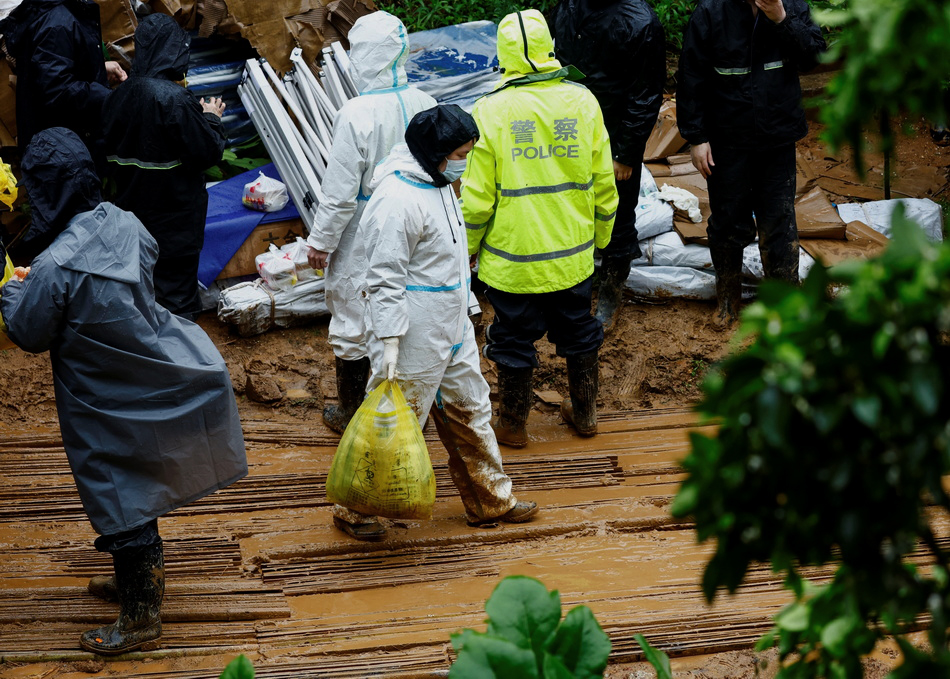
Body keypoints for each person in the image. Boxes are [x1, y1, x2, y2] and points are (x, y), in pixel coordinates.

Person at [0, 127, 248, 655]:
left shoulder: (54, 266)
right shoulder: (125, 222)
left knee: (117, 492)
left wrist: (13, 289)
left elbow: (28, 332)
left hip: (97, 392)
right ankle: (136, 581)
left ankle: (140, 616)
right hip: (151, 365)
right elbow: (140, 276)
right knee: (137, 481)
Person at [333, 105, 538, 541]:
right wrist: (389, 340)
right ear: (435, 151)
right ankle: (355, 510)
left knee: (471, 408)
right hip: (412, 330)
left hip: (451, 322)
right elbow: (384, 277)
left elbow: (450, 251)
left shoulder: (438, 179)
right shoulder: (396, 199)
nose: (465, 161)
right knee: (395, 418)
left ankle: (490, 500)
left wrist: (467, 308)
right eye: (460, 153)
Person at [462, 10, 618, 446]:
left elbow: (476, 199)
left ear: (504, 54)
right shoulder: (582, 100)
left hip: (513, 263)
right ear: (550, 46)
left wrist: (467, 248)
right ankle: (585, 414)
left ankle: (512, 423)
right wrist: (601, 240)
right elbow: (604, 182)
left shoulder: (490, 110)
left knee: (511, 338)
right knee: (579, 330)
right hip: (573, 256)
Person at [305, 11, 436, 435]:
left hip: (366, 227)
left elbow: (340, 192)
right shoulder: (426, 102)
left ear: (363, 57)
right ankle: (415, 407)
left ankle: (351, 413)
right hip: (419, 223)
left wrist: (321, 241)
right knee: (409, 306)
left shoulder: (356, 114)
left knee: (352, 315)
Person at [677, 0, 825, 325]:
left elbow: (814, 56)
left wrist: (781, 18)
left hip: (777, 137)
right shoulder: (711, 12)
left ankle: (784, 309)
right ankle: (728, 303)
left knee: (779, 223)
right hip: (727, 140)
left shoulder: (792, 5)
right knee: (728, 223)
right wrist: (696, 137)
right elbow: (691, 77)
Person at [101, 13, 226, 320]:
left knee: (142, 298)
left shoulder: (117, 97)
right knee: (178, 305)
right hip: (175, 227)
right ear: (174, 49)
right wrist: (211, 117)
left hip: (132, 223)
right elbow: (208, 153)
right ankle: (180, 363)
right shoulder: (174, 99)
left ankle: (148, 360)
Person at [549, 0, 666, 330]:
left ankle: (610, 296)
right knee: (567, 208)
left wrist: (626, 154)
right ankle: (571, 289)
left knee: (615, 216)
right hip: (568, 128)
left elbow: (646, 94)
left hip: (614, 132)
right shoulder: (568, 7)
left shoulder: (640, 22)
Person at [0, 0, 127, 155]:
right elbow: (58, 90)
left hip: (61, 145)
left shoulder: (60, 13)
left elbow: (53, 68)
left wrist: (98, 68)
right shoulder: (56, 23)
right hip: (64, 151)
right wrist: (113, 97)